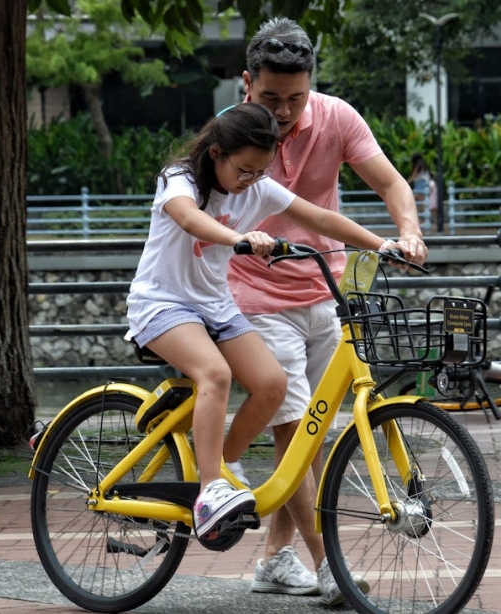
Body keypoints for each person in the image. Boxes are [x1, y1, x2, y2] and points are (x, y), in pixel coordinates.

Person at [124, 102, 405, 552]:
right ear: (216, 152)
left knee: (272, 384)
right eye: (244, 170)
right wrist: (237, 238)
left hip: (214, 306)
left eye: (260, 172)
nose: (250, 181)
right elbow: (187, 217)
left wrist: (383, 244)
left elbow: (321, 219)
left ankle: (216, 465)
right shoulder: (180, 179)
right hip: (162, 304)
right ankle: (210, 491)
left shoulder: (258, 188)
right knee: (214, 374)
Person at [222, 16, 428, 607]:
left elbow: (391, 183)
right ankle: (327, 562)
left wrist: (407, 232)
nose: (283, 112)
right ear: (246, 84)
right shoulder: (232, 131)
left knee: (311, 439)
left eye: (295, 98)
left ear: (310, 86)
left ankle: (273, 560)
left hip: (325, 293)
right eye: (270, 98)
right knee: (295, 431)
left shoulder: (337, 117)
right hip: (254, 298)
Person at [408, 152, 438, 234]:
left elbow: (414, 176)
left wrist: (406, 182)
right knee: (422, 203)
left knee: (410, 201)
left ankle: (422, 220)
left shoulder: (418, 165)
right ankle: (424, 220)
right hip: (424, 184)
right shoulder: (423, 164)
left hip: (421, 184)